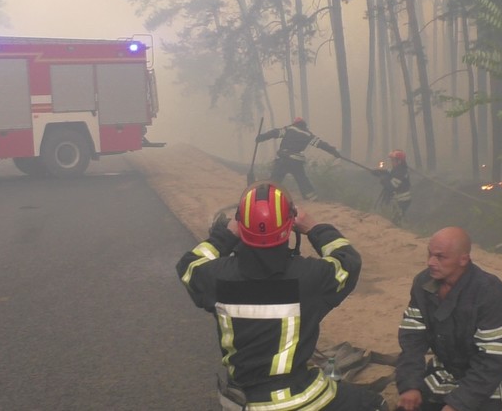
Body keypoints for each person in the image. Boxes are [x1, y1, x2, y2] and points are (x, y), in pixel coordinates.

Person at [176, 181, 386, 411]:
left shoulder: (216, 277)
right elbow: (348, 260)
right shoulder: (310, 277)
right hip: (297, 398)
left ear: (241, 225)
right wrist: (314, 228)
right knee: (374, 403)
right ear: (290, 226)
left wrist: (225, 235)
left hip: (240, 401)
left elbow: (189, 265)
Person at [395, 226, 502, 411]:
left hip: (488, 381)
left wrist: (458, 404)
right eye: (429, 254)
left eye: (440, 257)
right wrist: (410, 385)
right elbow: (412, 338)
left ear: (463, 259)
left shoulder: (490, 292)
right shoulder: (423, 283)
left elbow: (492, 359)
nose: (431, 262)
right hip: (445, 371)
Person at [256, 117, 341, 201]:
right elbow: (322, 145)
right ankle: (312, 199)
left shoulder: (290, 129)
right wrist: (334, 152)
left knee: (275, 180)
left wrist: (261, 137)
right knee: (302, 180)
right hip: (296, 162)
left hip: (283, 159)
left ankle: (265, 197)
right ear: (304, 125)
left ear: (295, 123)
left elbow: (274, 133)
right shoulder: (308, 134)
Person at [373, 149, 411, 225]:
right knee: (394, 218)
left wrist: (383, 180)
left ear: (399, 161)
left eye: (393, 160)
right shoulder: (396, 169)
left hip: (402, 201)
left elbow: (391, 187)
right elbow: (388, 171)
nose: (392, 162)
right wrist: (377, 172)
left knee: (396, 220)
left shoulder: (401, 172)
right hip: (398, 200)